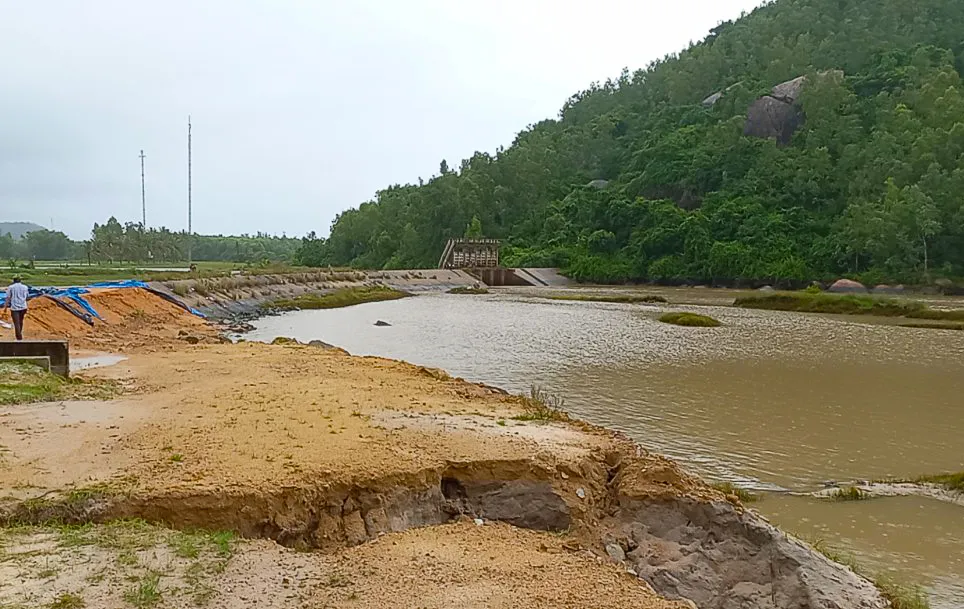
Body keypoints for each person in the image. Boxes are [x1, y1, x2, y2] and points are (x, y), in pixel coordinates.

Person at [3, 275, 29, 341]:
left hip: (15, 308)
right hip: (23, 307)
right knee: (21, 321)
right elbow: (27, 296)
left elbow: (8, 298)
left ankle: (19, 338)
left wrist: (5, 307)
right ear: (20, 280)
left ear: (13, 280)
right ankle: (19, 334)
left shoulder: (11, 287)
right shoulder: (25, 287)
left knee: (16, 323)